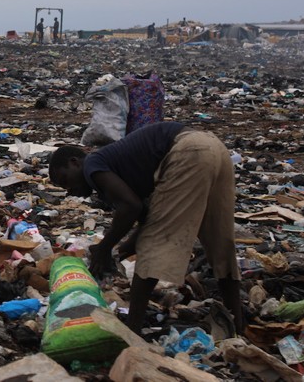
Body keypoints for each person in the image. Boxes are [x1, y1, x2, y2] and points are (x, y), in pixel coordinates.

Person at [47, 122, 243, 335]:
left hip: (187, 152)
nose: (71, 190)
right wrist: (117, 253)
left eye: (66, 180)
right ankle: (238, 325)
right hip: (215, 148)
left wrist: (104, 247)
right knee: (219, 243)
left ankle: (132, 332)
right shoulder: (116, 167)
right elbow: (147, 218)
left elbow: (131, 207)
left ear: (75, 162)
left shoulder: (93, 165)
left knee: (153, 245)